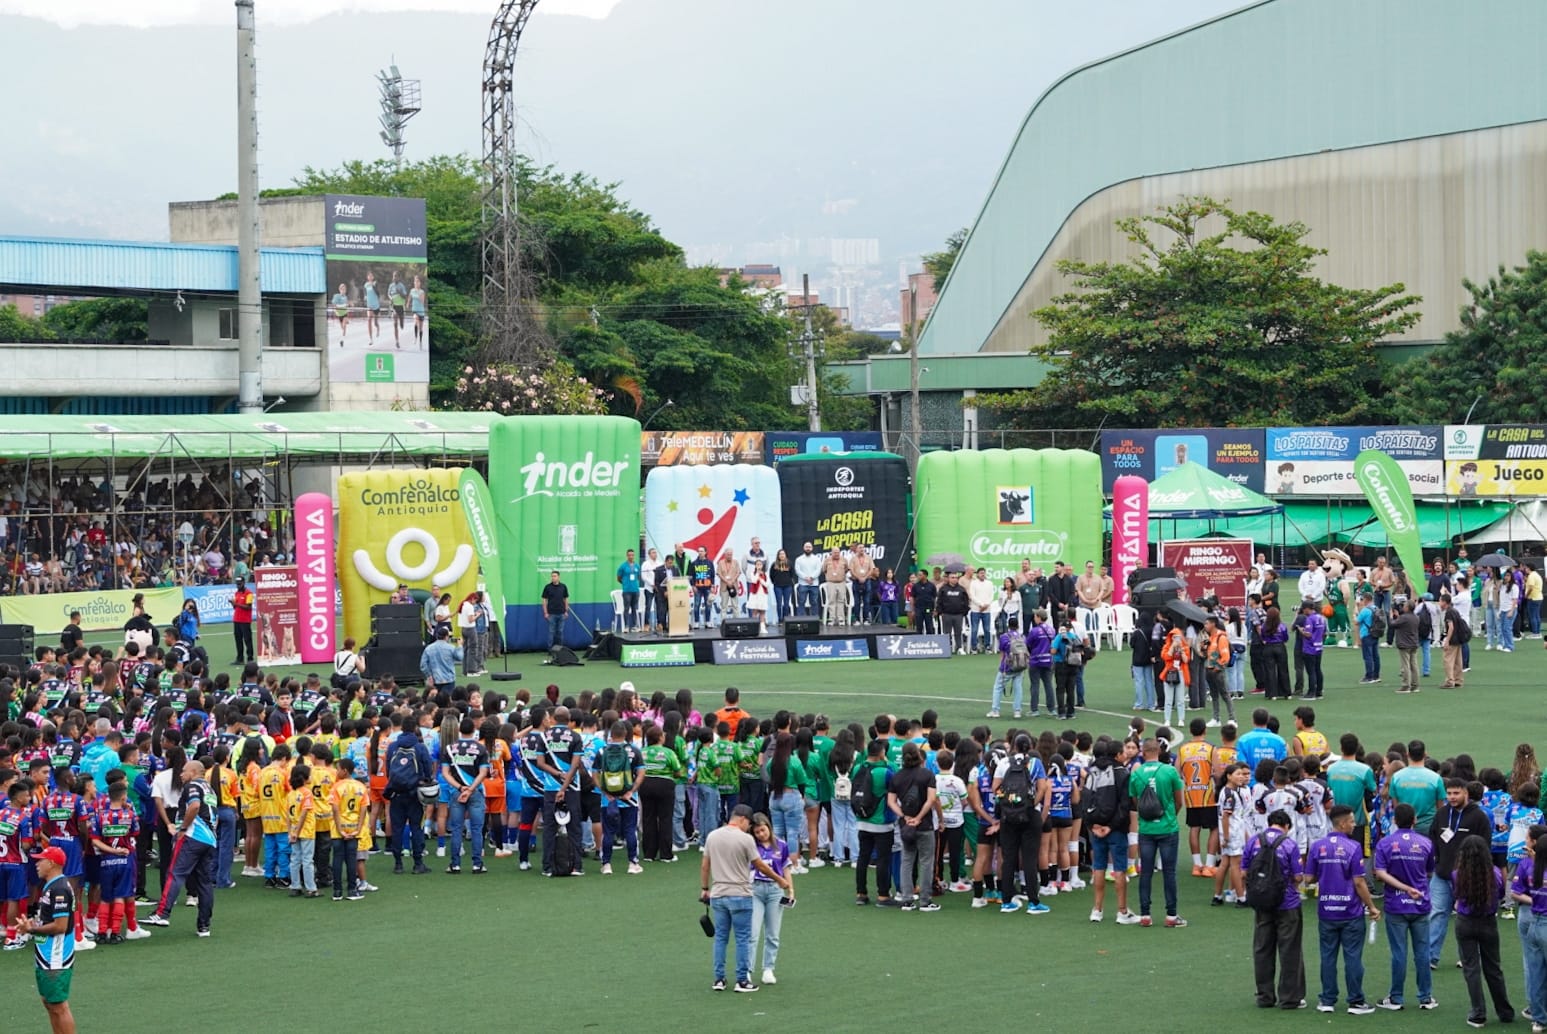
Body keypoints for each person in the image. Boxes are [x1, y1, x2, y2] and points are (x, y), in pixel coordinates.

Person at [700, 803, 791, 993]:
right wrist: (780, 880)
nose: (748, 828)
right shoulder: (745, 840)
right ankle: (742, 980)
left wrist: (704, 889)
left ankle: (719, 979)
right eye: (748, 824)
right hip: (740, 894)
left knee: (721, 938)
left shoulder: (712, 836)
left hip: (718, 894)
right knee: (743, 938)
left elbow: (705, 866)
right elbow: (760, 866)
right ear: (742, 819)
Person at [1310, 804, 1380, 1014]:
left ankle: (1327, 1000)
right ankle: (1356, 1001)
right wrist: (1372, 907)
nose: (1354, 824)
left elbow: (1309, 877)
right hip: (1350, 912)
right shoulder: (1353, 847)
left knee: (1328, 956)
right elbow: (1359, 883)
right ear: (1341, 824)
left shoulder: (1317, 846)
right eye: (1351, 821)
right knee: (1352, 956)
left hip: (1326, 912)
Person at [142, 758, 218, 937]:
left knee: (175, 873)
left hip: (193, 836)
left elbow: (194, 806)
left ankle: (162, 913)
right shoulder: (210, 789)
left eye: (184, 771)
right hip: (209, 839)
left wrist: (183, 828)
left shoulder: (192, 786)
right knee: (204, 883)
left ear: (193, 772)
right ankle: (204, 926)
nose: (181, 774)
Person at [1373, 802, 1438, 1011]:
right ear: (1414, 820)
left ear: (1394, 820)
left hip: (1396, 905)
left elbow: (1380, 873)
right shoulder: (1426, 843)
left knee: (1399, 953)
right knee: (1422, 952)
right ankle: (1425, 997)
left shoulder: (1385, 843)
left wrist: (1402, 887)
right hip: (1420, 904)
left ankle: (1396, 998)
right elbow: (1429, 871)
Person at [1245, 809, 1307, 1009]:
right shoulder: (1289, 844)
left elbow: (1244, 871)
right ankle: (1289, 998)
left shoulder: (1254, 841)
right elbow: (1298, 877)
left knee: (1262, 949)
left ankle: (1265, 996)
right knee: (1290, 951)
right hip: (1287, 903)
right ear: (1286, 826)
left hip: (1262, 903)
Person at [1428, 777, 1493, 968]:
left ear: (1466, 793)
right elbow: (1433, 839)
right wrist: (1437, 862)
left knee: (1467, 919)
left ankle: (1467, 957)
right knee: (1437, 913)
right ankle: (1430, 957)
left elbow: (1485, 846)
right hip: (1441, 875)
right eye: (1449, 793)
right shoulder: (1441, 814)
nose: (1452, 797)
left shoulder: (1479, 817)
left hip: (1468, 878)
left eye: (1456, 793)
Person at [1453, 833, 1515, 1026]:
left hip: (1465, 922)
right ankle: (1505, 1011)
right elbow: (1500, 893)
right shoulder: (1495, 873)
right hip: (1488, 923)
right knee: (1494, 968)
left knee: (1471, 969)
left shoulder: (1457, 875)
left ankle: (1478, 1013)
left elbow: (1455, 898)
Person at [17, 844, 76, 1034]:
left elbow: (61, 926)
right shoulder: (52, 887)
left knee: (58, 1006)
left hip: (56, 956)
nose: (37, 864)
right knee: (50, 1003)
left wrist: (33, 930)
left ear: (51, 863)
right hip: (48, 954)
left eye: (40, 860)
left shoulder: (59, 889)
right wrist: (32, 925)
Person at [1129, 737, 1187, 928]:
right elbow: (1179, 800)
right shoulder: (1169, 771)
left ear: (1143, 753)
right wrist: (1170, 815)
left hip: (1146, 829)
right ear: (1159, 752)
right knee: (1169, 872)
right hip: (1168, 827)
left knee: (1145, 872)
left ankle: (1145, 914)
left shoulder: (1136, 774)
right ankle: (1171, 915)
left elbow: (1136, 801)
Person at [1085, 739, 1138, 923]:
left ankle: (1097, 909)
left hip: (1096, 827)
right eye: (1124, 752)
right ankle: (1122, 911)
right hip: (1115, 829)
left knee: (1099, 867)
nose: (1126, 755)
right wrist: (1111, 826)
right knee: (1119, 869)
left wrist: (1093, 825)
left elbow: (1086, 800)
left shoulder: (1092, 771)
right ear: (1117, 755)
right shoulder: (1122, 773)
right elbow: (1125, 806)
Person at [888, 742, 940, 912]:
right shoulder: (927, 774)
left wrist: (904, 816)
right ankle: (925, 900)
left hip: (906, 826)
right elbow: (931, 799)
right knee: (926, 861)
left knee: (907, 860)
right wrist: (919, 817)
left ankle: (907, 899)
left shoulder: (897, 777)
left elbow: (891, 802)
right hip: (924, 825)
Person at [747, 812, 795, 985]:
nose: (761, 834)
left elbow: (786, 867)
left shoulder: (781, 844)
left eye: (763, 830)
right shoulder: (751, 845)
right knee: (752, 932)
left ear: (768, 827)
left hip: (776, 891)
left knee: (773, 933)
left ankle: (768, 968)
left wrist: (791, 890)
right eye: (757, 832)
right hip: (756, 889)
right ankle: (747, 970)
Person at [442, 716, 490, 875]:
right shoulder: (481, 749)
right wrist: (470, 789)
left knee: (456, 829)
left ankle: (455, 864)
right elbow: (483, 773)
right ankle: (477, 864)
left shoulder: (449, 749)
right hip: (476, 791)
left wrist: (460, 787)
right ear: (474, 730)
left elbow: (445, 773)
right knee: (477, 829)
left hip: (457, 792)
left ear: (459, 730)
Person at [988, 615, 1027, 719]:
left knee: (998, 687)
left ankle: (995, 710)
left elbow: (1002, 653)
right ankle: (1017, 711)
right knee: (1018, 688)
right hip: (1020, 665)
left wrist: (1002, 666)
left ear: (1008, 625)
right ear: (1018, 626)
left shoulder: (1004, 637)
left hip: (1008, 667)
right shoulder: (1022, 637)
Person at [418, 626, 463, 697]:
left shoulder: (429, 648)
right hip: (449, 679)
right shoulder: (451, 648)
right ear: (446, 637)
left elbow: (423, 665)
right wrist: (460, 646)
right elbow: (460, 657)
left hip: (435, 679)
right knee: (447, 700)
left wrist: (429, 676)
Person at [1390, 599, 1421, 694]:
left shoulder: (1404, 618)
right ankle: (1415, 685)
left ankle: (1406, 685)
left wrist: (1391, 616)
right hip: (1413, 643)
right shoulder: (1416, 617)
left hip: (1404, 644)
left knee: (1405, 665)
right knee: (1414, 665)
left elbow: (1393, 624)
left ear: (1407, 607)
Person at [793, 542, 822, 617]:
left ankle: (814, 619)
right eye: (806, 547)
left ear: (812, 548)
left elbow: (818, 570)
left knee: (814, 602)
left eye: (809, 547)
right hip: (803, 584)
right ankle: (801, 618)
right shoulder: (799, 559)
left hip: (814, 584)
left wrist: (811, 577)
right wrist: (806, 578)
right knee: (801, 601)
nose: (808, 548)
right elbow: (797, 570)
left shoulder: (817, 559)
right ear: (803, 548)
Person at [541, 570, 569, 647]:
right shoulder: (547, 587)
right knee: (551, 632)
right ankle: (550, 649)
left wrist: (566, 611)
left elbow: (566, 599)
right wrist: (545, 612)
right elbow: (544, 600)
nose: (553, 578)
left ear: (558, 577)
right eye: (552, 576)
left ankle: (560, 649)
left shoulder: (563, 587)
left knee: (560, 632)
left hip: (561, 613)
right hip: (551, 614)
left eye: (554, 576)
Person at [231, 577, 254, 666]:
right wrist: (233, 604)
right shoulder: (236, 593)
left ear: (244, 583)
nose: (238, 586)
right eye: (237, 584)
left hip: (245, 620)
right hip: (237, 619)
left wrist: (236, 604)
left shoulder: (249, 593)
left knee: (247, 640)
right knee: (238, 640)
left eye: (239, 584)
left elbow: (249, 607)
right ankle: (240, 658)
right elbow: (235, 607)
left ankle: (250, 658)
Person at [616, 548, 641, 632]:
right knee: (626, 608)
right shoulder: (623, 566)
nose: (631, 556)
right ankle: (626, 626)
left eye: (632, 555)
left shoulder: (637, 566)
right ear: (627, 556)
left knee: (634, 608)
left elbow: (638, 577)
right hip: (627, 591)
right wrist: (625, 584)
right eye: (629, 555)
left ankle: (634, 626)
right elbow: (619, 578)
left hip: (635, 590)